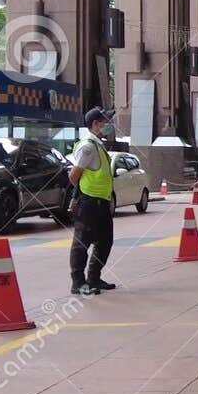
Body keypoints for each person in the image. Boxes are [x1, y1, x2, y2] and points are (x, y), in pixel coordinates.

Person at [68, 107, 117, 296]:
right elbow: (74, 176)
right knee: (82, 242)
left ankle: (94, 278)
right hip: (88, 201)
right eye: (105, 121)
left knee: (105, 241)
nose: (108, 125)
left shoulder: (97, 144)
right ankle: (78, 282)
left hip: (101, 201)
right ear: (96, 124)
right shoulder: (87, 146)